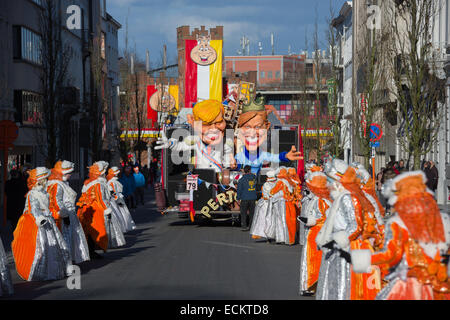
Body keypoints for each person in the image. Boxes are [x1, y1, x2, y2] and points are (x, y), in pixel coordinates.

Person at [351, 171, 450, 300]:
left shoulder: (399, 222)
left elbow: (391, 255)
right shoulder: (443, 220)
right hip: (439, 282)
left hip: (410, 283)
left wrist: (362, 260)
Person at [315, 160, 381, 300]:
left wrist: (334, 242)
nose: (327, 185)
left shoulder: (346, 198)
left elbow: (355, 226)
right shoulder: (341, 197)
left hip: (347, 248)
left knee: (344, 284)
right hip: (340, 246)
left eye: (330, 181)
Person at [11, 167, 72, 281]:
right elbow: (33, 209)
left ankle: (57, 269)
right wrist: (41, 218)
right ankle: (41, 272)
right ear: (42, 179)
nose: (47, 180)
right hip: (41, 223)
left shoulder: (45, 193)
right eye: (46, 178)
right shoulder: (32, 194)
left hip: (49, 220)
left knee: (58, 244)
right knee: (42, 246)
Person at [235, 95, 302, 175]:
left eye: (257, 127)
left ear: (266, 127)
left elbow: (275, 157)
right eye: (247, 127)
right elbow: (234, 166)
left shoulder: (262, 155)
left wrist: (286, 156)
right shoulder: (240, 156)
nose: (252, 133)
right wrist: (234, 166)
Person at [77, 162, 125, 258]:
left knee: (90, 230)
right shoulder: (99, 184)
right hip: (95, 210)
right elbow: (100, 198)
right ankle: (92, 251)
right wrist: (106, 210)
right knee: (96, 230)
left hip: (88, 209)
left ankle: (92, 250)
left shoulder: (90, 182)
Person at [47, 160, 90, 264]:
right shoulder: (57, 185)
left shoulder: (62, 183)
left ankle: (70, 259)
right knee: (65, 238)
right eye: (68, 173)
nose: (70, 175)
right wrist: (64, 215)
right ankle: (66, 261)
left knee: (71, 237)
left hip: (69, 214)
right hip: (64, 215)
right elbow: (57, 201)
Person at [298, 170, 332, 296]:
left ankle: (313, 285)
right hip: (320, 232)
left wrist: (306, 220)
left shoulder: (321, 200)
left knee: (313, 260)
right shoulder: (323, 198)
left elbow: (319, 218)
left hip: (317, 233)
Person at [270, 167, 296, 245]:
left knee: (281, 220)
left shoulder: (280, 182)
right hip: (289, 204)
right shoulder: (290, 182)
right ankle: (289, 238)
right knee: (289, 221)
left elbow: (272, 192)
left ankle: (282, 238)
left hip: (281, 204)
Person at [107, 167, 136, 233]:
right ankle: (121, 228)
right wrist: (118, 200)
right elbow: (113, 193)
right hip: (115, 201)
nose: (118, 175)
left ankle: (124, 227)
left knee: (123, 213)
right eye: (116, 174)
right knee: (119, 214)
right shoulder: (111, 183)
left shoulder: (115, 181)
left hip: (120, 199)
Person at [249, 170, 276, 239]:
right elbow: (268, 195)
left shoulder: (274, 184)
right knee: (264, 219)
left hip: (272, 203)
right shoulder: (267, 185)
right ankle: (265, 234)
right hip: (267, 204)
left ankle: (271, 234)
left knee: (271, 219)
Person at [236, 165, 257, 231]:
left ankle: (244, 226)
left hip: (244, 198)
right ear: (250, 170)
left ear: (244, 171)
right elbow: (255, 179)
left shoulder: (241, 180)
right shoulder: (254, 178)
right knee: (252, 214)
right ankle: (251, 227)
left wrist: (238, 198)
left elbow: (239, 190)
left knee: (243, 213)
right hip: (253, 198)